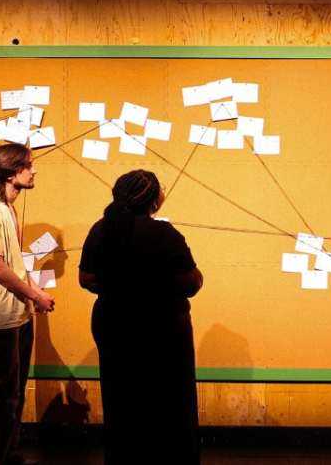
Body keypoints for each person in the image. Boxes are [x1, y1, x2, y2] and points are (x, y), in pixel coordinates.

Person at [78, 170, 203, 464]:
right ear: (153, 200)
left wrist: (118, 286)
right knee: (167, 400)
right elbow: (191, 282)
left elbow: (86, 278)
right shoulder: (165, 234)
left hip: (113, 324)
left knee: (121, 398)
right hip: (163, 327)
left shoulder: (100, 230)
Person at [0, 142, 56, 465]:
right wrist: (35, 294)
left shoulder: (6, 209)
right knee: (0, 395)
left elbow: (14, 265)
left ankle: (5, 454)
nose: (34, 170)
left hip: (16, 315)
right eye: (28, 165)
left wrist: (36, 296)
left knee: (12, 394)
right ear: (10, 171)